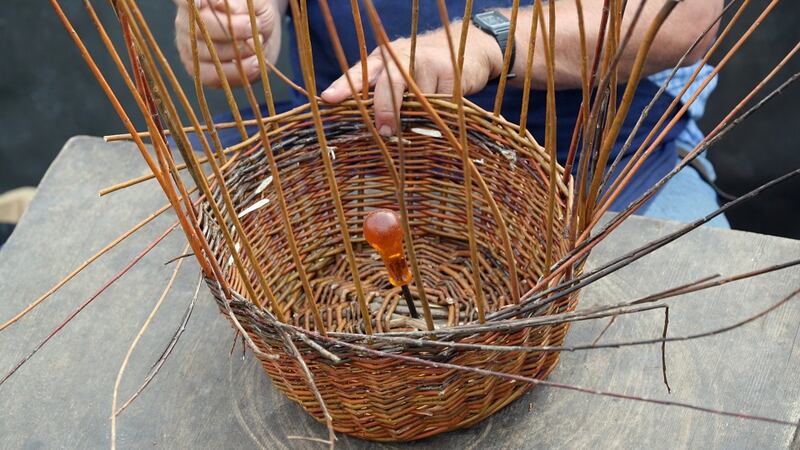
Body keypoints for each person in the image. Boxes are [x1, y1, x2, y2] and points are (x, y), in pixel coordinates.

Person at [173, 0, 729, 227]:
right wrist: (235, 31)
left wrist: (486, 43)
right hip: (339, 151)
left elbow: (682, 15)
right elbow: (237, 23)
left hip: (581, 170)